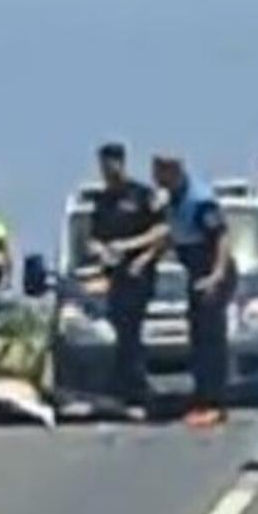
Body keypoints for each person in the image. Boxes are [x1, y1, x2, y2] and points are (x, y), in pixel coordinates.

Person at [151, 155, 237, 429]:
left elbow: (221, 236)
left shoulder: (199, 199)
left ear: (174, 170)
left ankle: (216, 403)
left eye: (160, 171)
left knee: (211, 339)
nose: (155, 176)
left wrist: (216, 275)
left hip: (212, 269)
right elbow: (171, 236)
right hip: (194, 270)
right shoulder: (172, 199)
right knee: (198, 336)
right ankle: (201, 398)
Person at [87, 143, 166, 419]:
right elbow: (94, 237)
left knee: (131, 333)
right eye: (104, 165)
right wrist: (100, 250)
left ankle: (138, 393)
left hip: (139, 272)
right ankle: (124, 390)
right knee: (122, 333)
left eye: (112, 163)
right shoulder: (102, 200)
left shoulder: (142, 195)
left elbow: (162, 231)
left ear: (122, 163)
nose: (108, 170)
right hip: (113, 275)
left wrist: (134, 251)